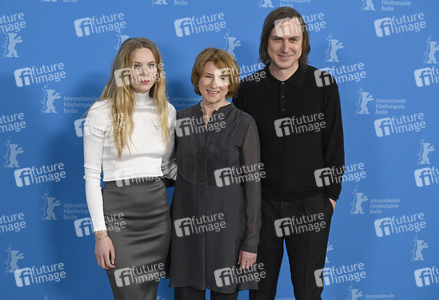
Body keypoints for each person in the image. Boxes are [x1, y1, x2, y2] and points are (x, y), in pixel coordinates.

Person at [233, 7, 345, 300]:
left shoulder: (324, 84)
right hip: (260, 208)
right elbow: (237, 153)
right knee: (260, 294)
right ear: (266, 43)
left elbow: (334, 144)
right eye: (277, 39)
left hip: (310, 206)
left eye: (293, 40)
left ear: (303, 43)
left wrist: (329, 199)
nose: (285, 48)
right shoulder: (247, 88)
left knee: (309, 293)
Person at [83, 38, 176, 300]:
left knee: (149, 294)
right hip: (119, 217)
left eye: (151, 65)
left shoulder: (167, 112)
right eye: (136, 65)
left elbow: (168, 168)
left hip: (157, 218)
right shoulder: (100, 112)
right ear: (123, 70)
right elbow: (91, 178)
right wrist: (101, 234)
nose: (145, 72)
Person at [169, 48, 262, 300]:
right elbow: (166, 172)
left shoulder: (244, 123)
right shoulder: (180, 120)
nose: (214, 85)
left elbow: (253, 187)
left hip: (229, 234)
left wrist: (250, 243)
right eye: (208, 76)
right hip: (186, 231)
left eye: (223, 78)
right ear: (197, 79)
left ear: (230, 83)